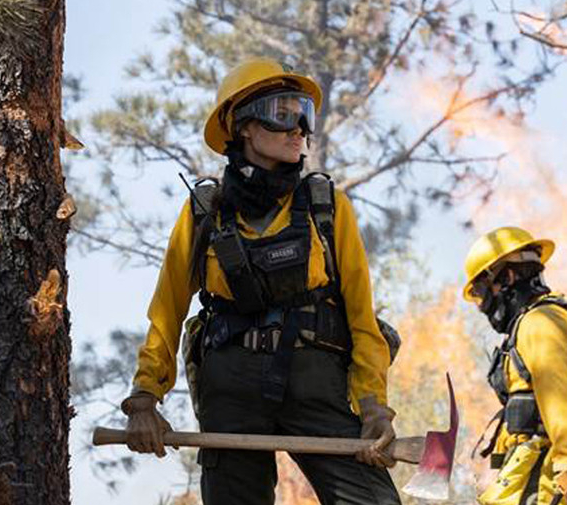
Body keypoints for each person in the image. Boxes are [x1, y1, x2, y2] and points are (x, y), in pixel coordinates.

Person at [119, 57, 402, 505]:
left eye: (304, 116)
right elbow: (167, 311)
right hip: (230, 389)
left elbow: (362, 318)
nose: (299, 130)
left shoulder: (327, 207)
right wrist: (143, 400)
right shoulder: (204, 212)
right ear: (243, 126)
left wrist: (373, 409)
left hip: (316, 383)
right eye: (284, 113)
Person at [462, 227, 567, 505]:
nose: (482, 305)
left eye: (480, 290)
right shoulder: (555, 316)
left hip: (553, 479)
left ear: (507, 276)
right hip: (562, 471)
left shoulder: (539, 324)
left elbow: (558, 395)